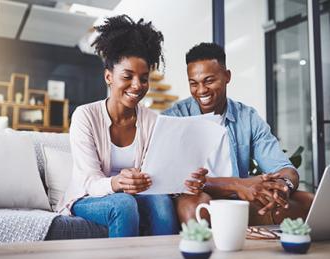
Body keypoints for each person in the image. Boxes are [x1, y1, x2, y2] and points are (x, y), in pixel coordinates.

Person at [57, 15, 181, 237]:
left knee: (161, 202)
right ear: (108, 76)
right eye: (128, 76)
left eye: (144, 78)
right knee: (123, 204)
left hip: (135, 196)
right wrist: (117, 182)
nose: (137, 85)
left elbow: (157, 174)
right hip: (88, 197)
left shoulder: (152, 120)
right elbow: (89, 180)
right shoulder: (85, 116)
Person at [163, 42, 314, 225]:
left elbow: (285, 168)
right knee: (196, 204)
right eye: (194, 83)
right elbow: (177, 179)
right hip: (198, 196)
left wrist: (283, 186)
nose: (201, 90)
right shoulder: (175, 117)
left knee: (306, 201)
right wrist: (236, 184)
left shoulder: (247, 117)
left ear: (227, 76)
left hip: (239, 197)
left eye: (209, 81)